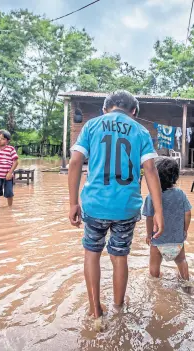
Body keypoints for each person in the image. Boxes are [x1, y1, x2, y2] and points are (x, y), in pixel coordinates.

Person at [67, 90, 164, 320]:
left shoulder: (91, 126)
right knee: (119, 257)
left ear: (105, 109)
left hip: (95, 205)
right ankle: (119, 308)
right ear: (133, 112)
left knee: (92, 253)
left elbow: (74, 163)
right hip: (126, 208)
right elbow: (150, 170)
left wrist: (72, 203)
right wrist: (158, 211)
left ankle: (95, 311)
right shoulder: (141, 131)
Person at [143, 157, 192, 281]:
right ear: (175, 177)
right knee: (181, 261)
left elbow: (149, 218)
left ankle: (155, 284)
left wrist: (149, 234)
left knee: (154, 266)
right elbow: (188, 213)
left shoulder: (151, 197)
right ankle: (186, 282)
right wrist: (185, 230)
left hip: (158, 241)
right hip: (177, 240)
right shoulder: (180, 194)